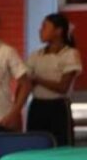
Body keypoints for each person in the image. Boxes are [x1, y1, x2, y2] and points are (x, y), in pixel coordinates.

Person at [26, 13, 82, 146]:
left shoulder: (70, 54)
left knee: (60, 145)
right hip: (37, 105)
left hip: (58, 107)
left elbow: (63, 87)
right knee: (35, 144)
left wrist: (38, 80)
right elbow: (26, 82)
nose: (40, 30)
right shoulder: (36, 55)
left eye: (45, 27)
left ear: (58, 30)